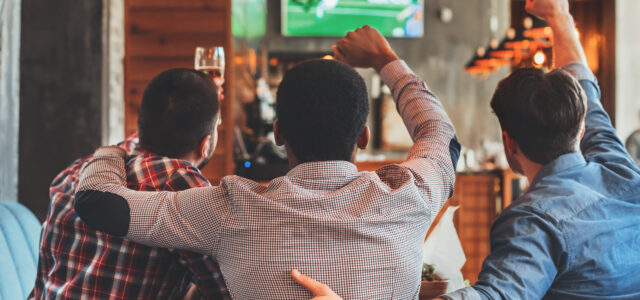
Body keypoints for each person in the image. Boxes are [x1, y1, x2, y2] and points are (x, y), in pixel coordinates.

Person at [72, 26, 460, 299]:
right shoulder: (412, 196)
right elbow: (441, 135)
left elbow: (96, 202)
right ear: (363, 137)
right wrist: (386, 60)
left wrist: (116, 151)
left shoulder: (229, 208)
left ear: (278, 133)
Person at [291, 0, 640, 299]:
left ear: (508, 142)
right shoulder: (621, 170)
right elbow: (585, 88)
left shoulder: (536, 221)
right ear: (581, 128)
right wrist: (559, 17)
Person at [29, 69, 230, 299]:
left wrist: (202, 92)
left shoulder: (75, 172)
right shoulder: (181, 184)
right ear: (205, 144)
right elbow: (224, 291)